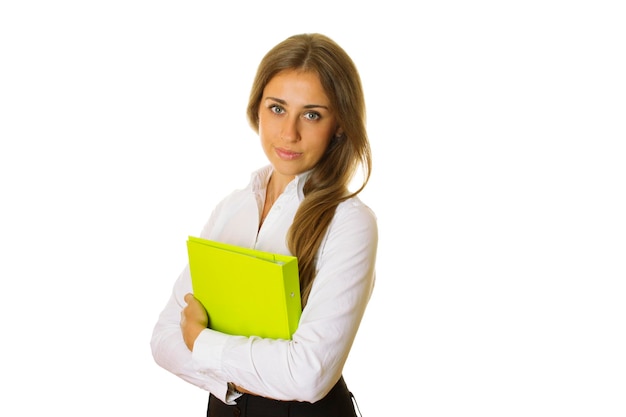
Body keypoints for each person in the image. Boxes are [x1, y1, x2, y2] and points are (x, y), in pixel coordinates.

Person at [150, 32, 378, 417]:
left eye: (311, 114)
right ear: (256, 108)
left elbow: (307, 376)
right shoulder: (231, 208)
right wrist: (252, 374)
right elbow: (164, 340)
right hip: (225, 409)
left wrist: (203, 344)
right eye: (277, 108)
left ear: (339, 125)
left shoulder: (349, 222)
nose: (289, 133)